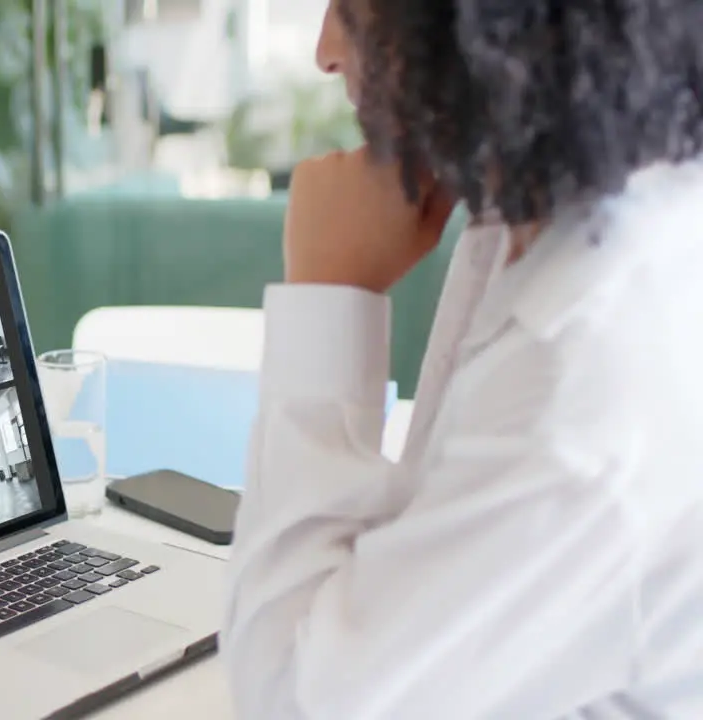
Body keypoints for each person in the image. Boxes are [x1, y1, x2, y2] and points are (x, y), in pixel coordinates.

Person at [221, 1, 703, 718]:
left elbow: (292, 701)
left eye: (353, 8)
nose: (326, 51)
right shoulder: (565, 215)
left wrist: (329, 293)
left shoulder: (575, 393)